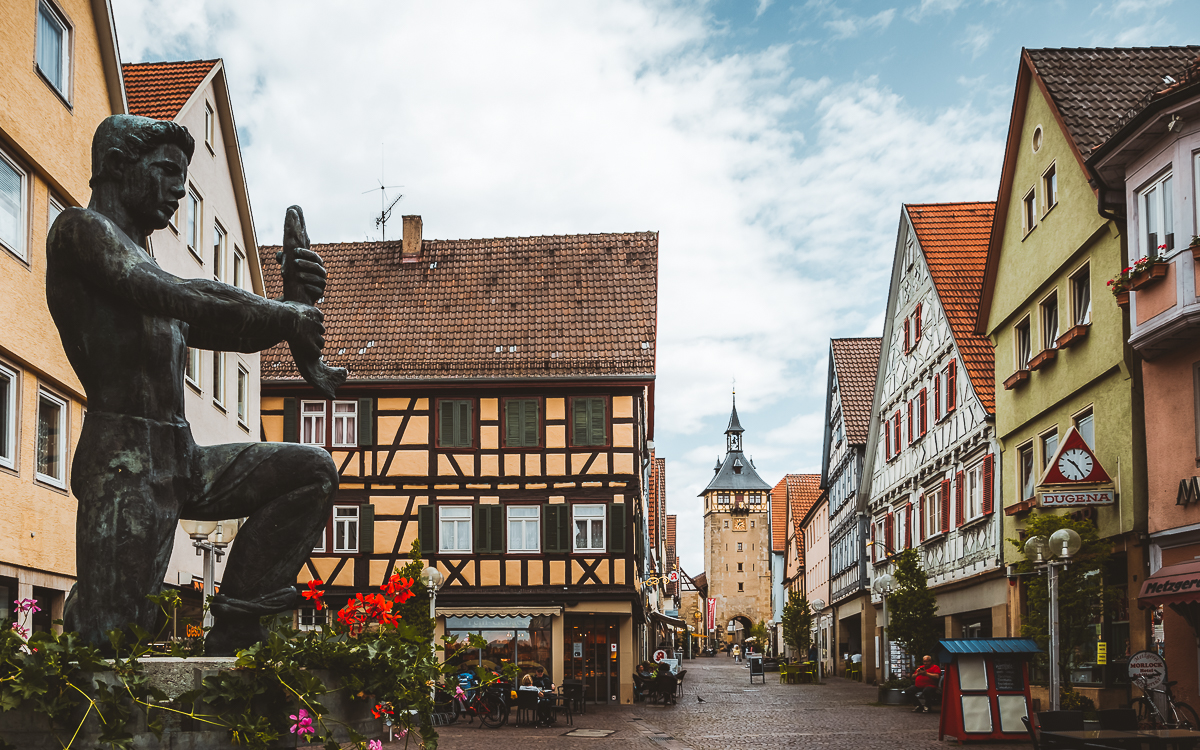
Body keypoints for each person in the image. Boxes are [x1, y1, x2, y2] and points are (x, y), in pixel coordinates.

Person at [47, 115, 337, 655]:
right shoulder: (80, 233)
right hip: (123, 460)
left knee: (311, 472)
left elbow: (230, 329)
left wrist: (290, 314)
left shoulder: (149, 265)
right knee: (108, 646)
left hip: (181, 453)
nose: (178, 188)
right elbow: (183, 295)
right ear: (115, 166)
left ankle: (236, 624)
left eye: (182, 177)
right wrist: (286, 314)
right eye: (164, 171)